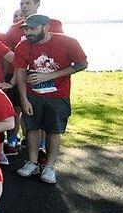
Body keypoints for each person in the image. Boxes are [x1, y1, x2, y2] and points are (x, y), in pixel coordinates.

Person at [13, 14, 87, 184]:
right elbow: (20, 73)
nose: (28, 32)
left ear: (45, 27)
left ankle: (49, 167)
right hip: (32, 96)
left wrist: (52, 75)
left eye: (32, 28)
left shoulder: (68, 42)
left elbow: (82, 64)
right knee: (31, 128)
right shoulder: (23, 46)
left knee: (53, 130)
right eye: (25, 29)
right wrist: (23, 99)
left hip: (57, 96)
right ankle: (32, 162)